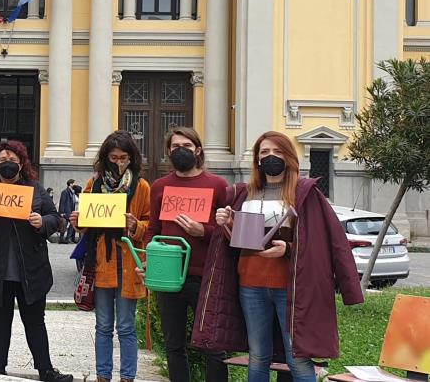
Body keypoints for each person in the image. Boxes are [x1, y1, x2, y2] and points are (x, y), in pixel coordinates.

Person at [192, 131, 364, 382]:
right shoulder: (243, 193)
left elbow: (323, 243)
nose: (270, 157)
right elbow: (239, 244)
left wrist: (289, 249)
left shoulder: (305, 193)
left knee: (298, 358)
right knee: (258, 355)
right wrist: (228, 224)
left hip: (290, 288)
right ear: (257, 160)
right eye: (264, 152)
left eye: (277, 152)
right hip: (250, 285)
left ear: (289, 157)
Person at [0, 140, 73, 382]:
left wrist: (42, 222)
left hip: (31, 270)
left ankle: (45, 370)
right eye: (2, 160)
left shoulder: (36, 190)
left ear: (22, 164)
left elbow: (57, 219)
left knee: (35, 322)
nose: (8, 164)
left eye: (12, 160)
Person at [141, 127, 229, 382]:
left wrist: (204, 231)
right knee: (173, 344)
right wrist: (148, 260)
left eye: (187, 146)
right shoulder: (160, 187)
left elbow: (230, 231)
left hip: (205, 277)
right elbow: (154, 229)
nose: (181, 151)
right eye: (176, 146)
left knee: (213, 346)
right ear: (168, 151)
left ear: (198, 150)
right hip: (168, 278)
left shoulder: (218, 185)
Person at [69, 130, 150, 382]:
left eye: (123, 157)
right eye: (113, 157)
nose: (118, 162)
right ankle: (102, 376)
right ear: (105, 157)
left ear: (132, 157)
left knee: (126, 327)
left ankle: (127, 377)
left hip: (127, 262)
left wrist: (136, 225)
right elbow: (86, 223)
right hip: (100, 262)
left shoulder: (141, 186)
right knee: (102, 326)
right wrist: (77, 221)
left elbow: (149, 224)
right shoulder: (94, 184)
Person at [58, 179, 78, 244]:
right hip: (65, 212)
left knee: (72, 224)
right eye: (74, 183)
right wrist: (61, 212)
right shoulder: (65, 192)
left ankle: (67, 238)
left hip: (70, 212)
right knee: (64, 225)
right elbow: (62, 202)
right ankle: (62, 238)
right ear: (71, 184)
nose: (75, 185)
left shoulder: (72, 192)